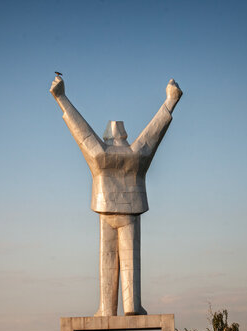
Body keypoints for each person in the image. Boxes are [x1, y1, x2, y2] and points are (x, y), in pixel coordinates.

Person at [50, 75, 182, 316]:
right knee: (131, 264)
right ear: (124, 136)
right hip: (130, 213)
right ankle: (132, 306)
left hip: (105, 209)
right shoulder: (136, 153)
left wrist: (61, 98)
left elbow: (82, 132)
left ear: (108, 137)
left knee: (107, 262)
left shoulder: (100, 153)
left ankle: (106, 308)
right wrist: (170, 102)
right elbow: (154, 133)